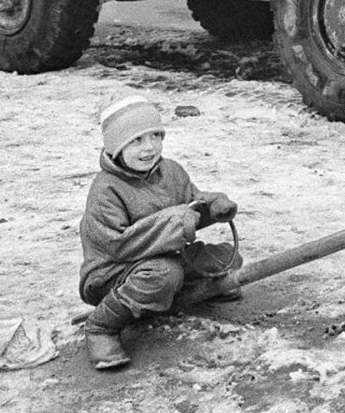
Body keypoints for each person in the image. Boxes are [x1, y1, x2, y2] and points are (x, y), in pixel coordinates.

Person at [79, 93, 241, 370]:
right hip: (113, 270)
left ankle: (176, 294)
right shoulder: (106, 190)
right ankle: (102, 328)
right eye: (136, 140)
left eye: (155, 136)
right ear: (116, 146)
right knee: (165, 274)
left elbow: (191, 205)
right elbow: (118, 245)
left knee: (227, 259)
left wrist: (213, 206)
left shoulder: (171, 172)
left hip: (165, 258)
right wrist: (176, 221)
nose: (149, 148)